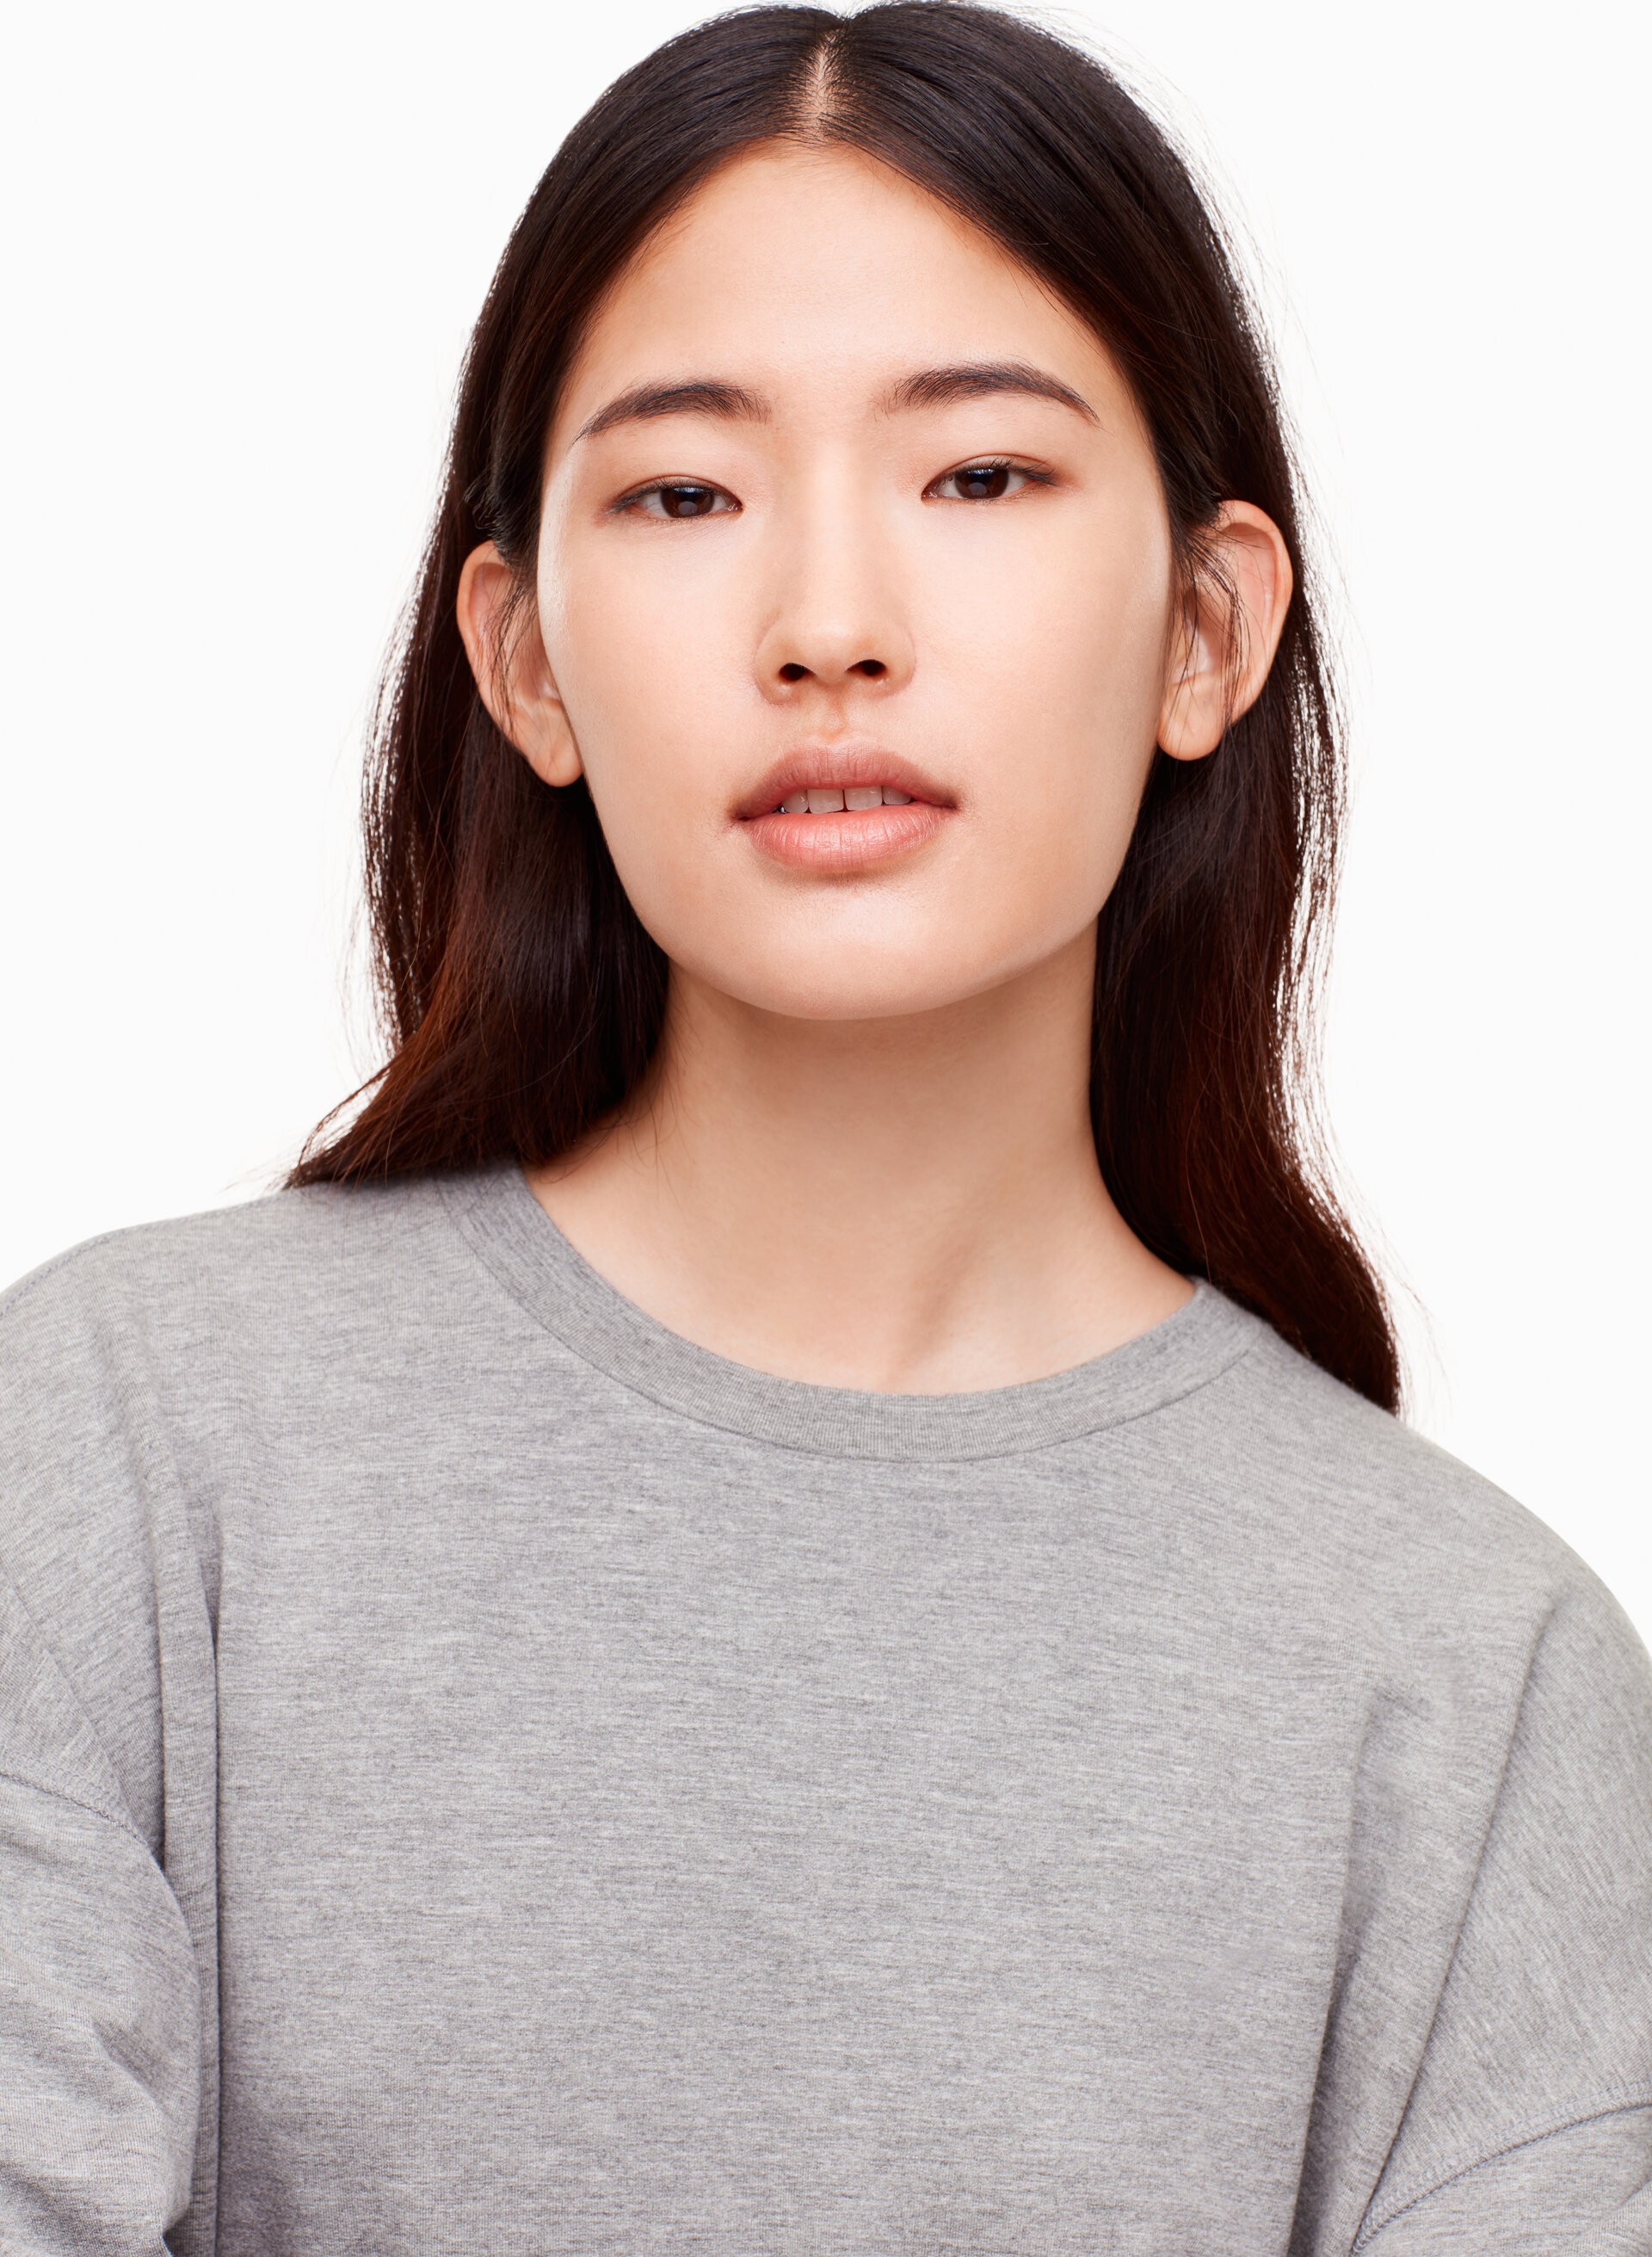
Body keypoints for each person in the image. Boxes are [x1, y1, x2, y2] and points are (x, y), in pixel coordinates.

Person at [1, 3, 1647, 2250]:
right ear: (526, 661)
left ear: (1206, 627)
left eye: (980, 476)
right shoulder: (115, 1459)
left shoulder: (1481, 1685)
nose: (831, 628)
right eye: (685, 493)